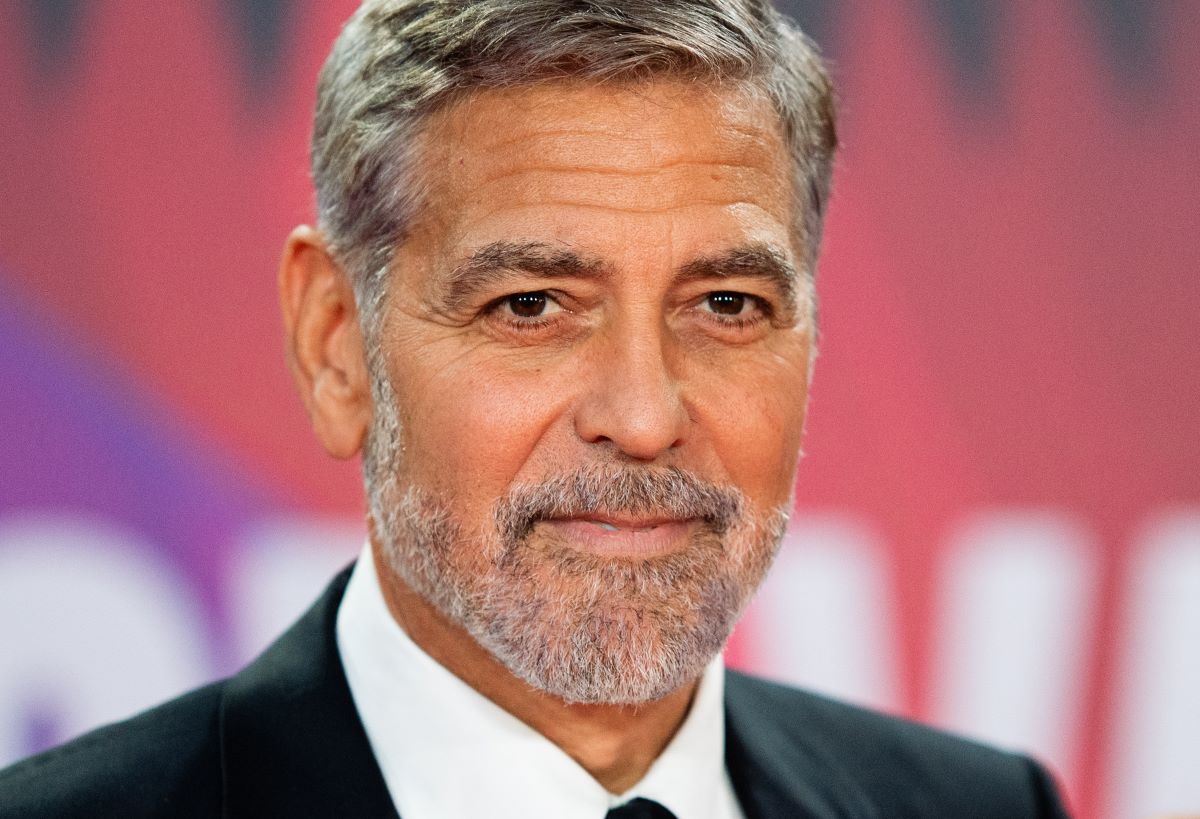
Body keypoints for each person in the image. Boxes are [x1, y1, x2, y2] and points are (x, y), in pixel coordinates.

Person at [0, 1, 1071, 816]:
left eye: (727, 304)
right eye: (531, 305)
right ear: (337, 346)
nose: (643, 418)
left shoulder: (982, 806)